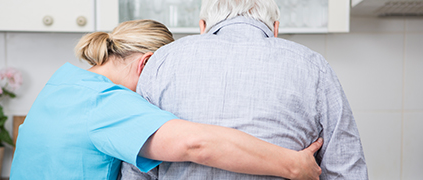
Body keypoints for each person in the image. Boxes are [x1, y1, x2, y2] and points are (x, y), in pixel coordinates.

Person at [9, 19, 323, 180]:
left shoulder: (64, 84)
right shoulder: (106, 102)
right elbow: (197, 144)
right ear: (146, 64)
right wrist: (293, 165)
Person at [120, 0, 369, 180]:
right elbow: (346, 170)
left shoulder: (163, 61)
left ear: (202, 25)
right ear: (275, 28)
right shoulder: (313, 65)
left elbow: (137, 165)